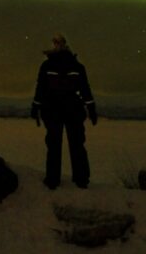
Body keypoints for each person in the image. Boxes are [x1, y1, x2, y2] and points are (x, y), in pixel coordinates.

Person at [30, 34, 97, 189]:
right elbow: (85, 89)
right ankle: (77, 180)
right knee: (71, 145)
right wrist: (91, 108)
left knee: (62, 145)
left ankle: (57, 180)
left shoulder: (51, 66)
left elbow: (41, 88)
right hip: (64, 110)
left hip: (60, 110)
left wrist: (36, 106)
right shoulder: (74, 66)